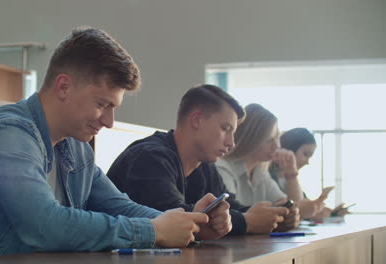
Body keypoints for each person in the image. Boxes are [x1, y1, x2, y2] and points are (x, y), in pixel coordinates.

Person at [0, 27, 231, 261]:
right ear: (64, 86)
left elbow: (119, 205)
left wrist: (188, 222)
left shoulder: (76, 145)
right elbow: (45, 225)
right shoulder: (8, 135)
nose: (108, 122)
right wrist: (154, 232)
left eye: (113, 109)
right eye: (101, 104)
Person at [107, 85, 290, 235]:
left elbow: (228, 207)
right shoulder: (150, 157)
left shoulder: (205, 165)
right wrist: (247, 221)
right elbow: (173, 217)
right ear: (197, 120)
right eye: (225, 129)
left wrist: (272, 217)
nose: (231, 143)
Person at [216, 103, 301, 230]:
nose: (276, 146)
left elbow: (292, 205)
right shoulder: (222, 168)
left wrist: (291, 174)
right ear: (250, 139)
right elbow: (230, 212)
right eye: (269, 139)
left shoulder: (260, 172)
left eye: (277, 137)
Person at [269, 128, 347, 220]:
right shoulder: (266, 176)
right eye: (306, 154)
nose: (307, 162)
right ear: (290, 149)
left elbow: (301, 209)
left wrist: (332, 213)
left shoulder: (292, 182)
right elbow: (296, 209)